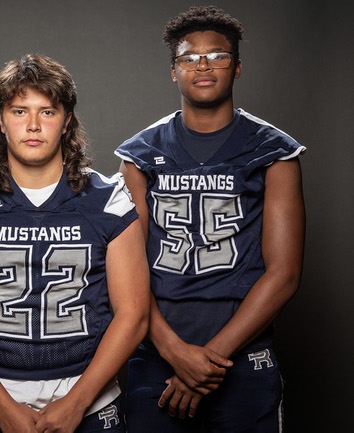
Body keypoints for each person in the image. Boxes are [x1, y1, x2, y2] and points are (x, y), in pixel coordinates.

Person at [0, 53, 150, 433]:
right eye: (19, 111)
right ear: (0, 119)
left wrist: (77, 402)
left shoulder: (108, 197)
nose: (33, 125)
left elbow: (133, 315)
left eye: (47, 112)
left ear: (66, 122)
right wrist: (2, 406)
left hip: (89, 394)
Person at [115, 5, 306, 432]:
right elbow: (127, 269)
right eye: (189, 57)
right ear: (173, 70)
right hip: (157, 351)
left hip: (243, 355)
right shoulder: (140, 154)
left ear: (237, 67)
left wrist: (210, 361)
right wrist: (176, 352)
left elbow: (285, 273)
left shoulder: (273, 150)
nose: (203, 65)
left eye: (217, 56)